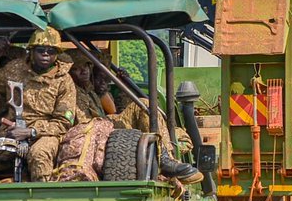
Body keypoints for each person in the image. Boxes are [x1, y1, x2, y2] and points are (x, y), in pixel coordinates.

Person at [61, 50, 198, 181]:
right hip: (93, 132)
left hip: (105, 126)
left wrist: (123, 85)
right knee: (144, 105)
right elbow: (84, 124)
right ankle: (164, 159)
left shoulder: (89, 89)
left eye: (86, 66)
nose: (84, 71)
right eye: (77, 69)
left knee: (151, 110)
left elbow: (113, 110)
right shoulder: (70, 89)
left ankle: (165, 156)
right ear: (69, 71)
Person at [0, 27, 77, 182]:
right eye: (40, 50)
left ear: (57, 54)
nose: (46, 54)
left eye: (51, 51)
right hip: (12, 133)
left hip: (45, 136)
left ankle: (42, 196)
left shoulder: (63, 80)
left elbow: (63, 122)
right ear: (31, 51)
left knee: (39, 155)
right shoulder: (15, 69)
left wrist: (31, 132)